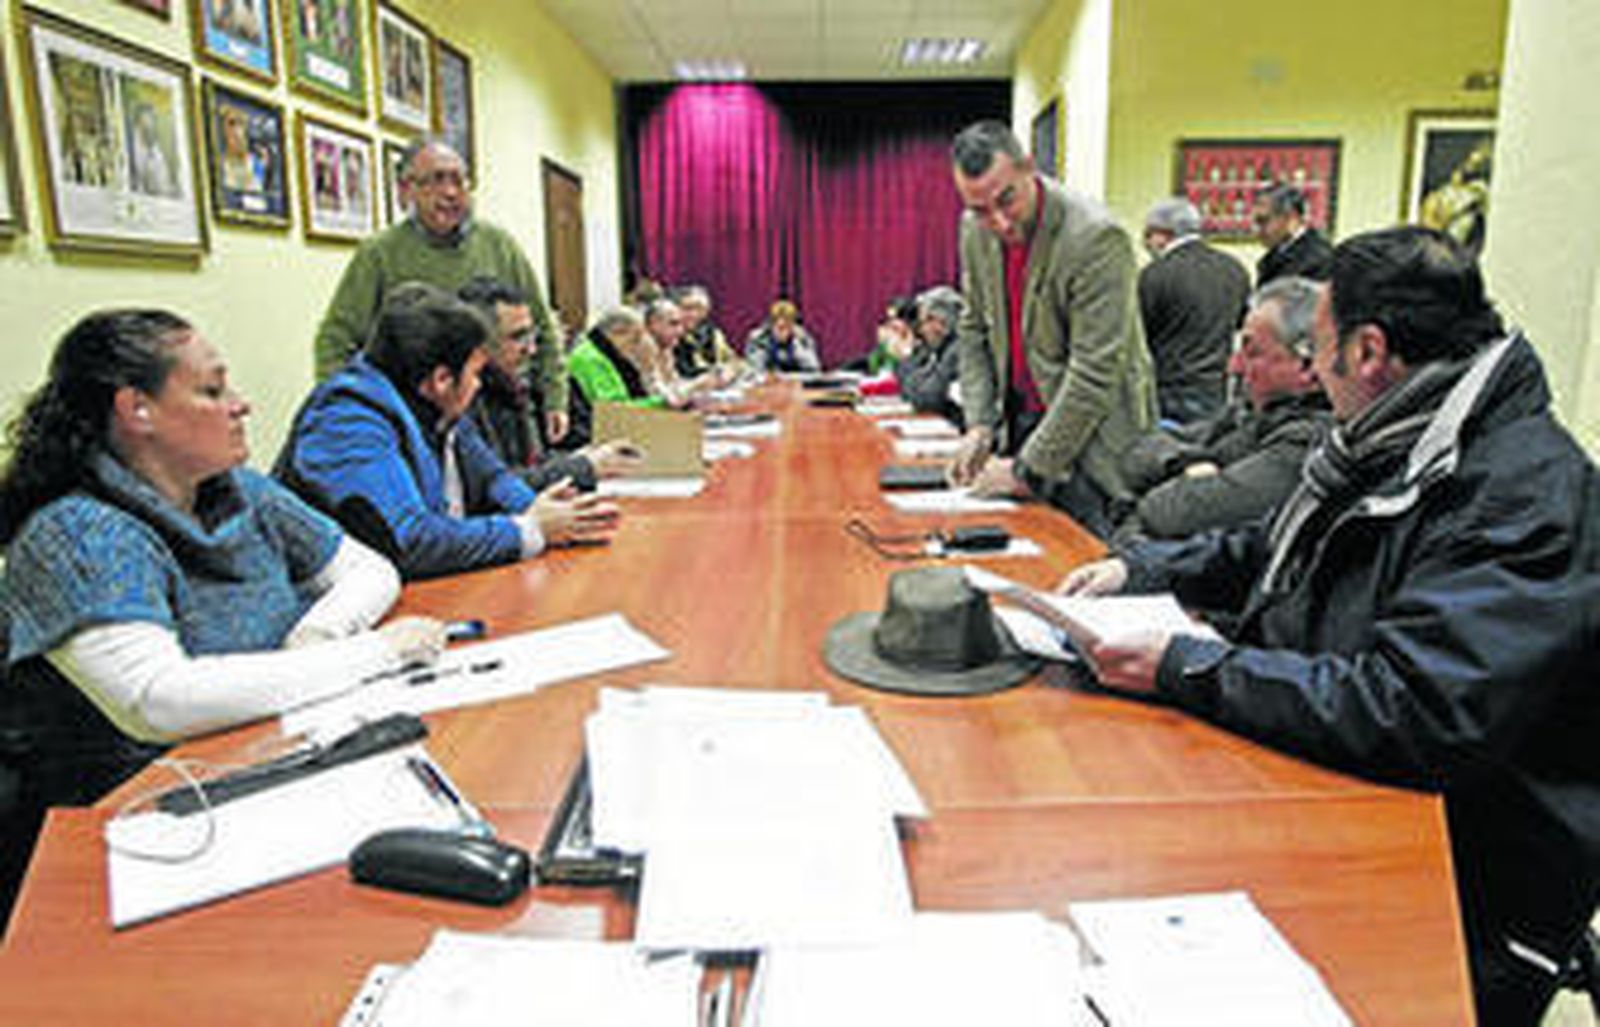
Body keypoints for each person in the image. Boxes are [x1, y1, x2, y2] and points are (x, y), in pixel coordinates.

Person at [1059, 227, 1599, 1027]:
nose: (1310, 370)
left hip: (1463, 879)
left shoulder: (1523, 493)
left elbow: (1415, 709)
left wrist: (1187, 665)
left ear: (1371, 350)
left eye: (1320, 348)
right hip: (1340, 778)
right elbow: (1276, 543)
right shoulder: (1405, 433)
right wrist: (1141, 571)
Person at [0, 310, 445, 921]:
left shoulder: (240, 490)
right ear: (138, 410)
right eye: (213, 390)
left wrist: (314, 636)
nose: (241, 406)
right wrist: (376, 652)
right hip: (138, 840)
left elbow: (369, 571)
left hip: (265, 764)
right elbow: (160, 701)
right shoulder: (76, 533)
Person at [279, 282, 619, 580]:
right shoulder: (345, 421)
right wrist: (529, 530)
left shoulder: (437, 401)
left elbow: (492, 478)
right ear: (442, 379)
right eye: (474, 374)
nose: (477, 386)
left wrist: (541, 510)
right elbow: (409, 541)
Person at [945, 120, 1157, 539]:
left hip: (1094, 439)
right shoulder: (973, 229)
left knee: (1084, 565)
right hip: (1024, 419)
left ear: (1029, 168)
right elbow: (972, 331)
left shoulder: (1095, 239)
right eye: (981, 210)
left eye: (1007, 200)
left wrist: (1027, 469)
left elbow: (1094, 374)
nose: (1000, 223)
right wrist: (979, 424)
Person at [311, 138, 572, 449]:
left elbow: (541, 325)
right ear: (405, 190)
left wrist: (556, 398)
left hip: (498, 416)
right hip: (417, 420)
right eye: (435, 180)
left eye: (458, 180)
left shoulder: (499, 245)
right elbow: (335, 339)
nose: (450, 193)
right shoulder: (379, 254)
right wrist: (348, 411)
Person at [1114, 276, 1329, 542]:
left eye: (1252, 353)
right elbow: (1138, 454)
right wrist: (1184, 465)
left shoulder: (1308, 441)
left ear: (1308, 366)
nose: (1234, 367)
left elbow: (1168, 512)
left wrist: (1154, 491)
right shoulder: (1247, 412)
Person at [456, 277, 642, 492]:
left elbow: (532, 462)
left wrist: (583, 457)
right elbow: (496, 486)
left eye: (532, 335)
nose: (532, 349)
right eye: (518, 337)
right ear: (478, 342)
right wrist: (583, 467)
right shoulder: (465, 398)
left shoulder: (512, 386)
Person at [1138, 197, 1251, 424]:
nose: (1146, 244)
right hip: (1217, 391)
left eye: (1147, 235)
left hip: (1168, 392)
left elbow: (1137, 338)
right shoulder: (1234, 269)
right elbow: (1241, 324)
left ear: (1162, 234)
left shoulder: (1155, 274)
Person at [895, 286, 964, 425]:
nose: (921, 330)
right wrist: (913, 353)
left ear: (940, 323)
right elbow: (909, 390)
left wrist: (907, 356)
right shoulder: (940, 348)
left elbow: (927, 399)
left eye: (924, 322)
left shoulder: (957, 350)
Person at [1252, 182, 1333, 285]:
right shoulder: (1272, 258)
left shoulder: (1318, 259)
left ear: (1292, 218)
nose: (1256, 229)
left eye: (1263, 221)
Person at [671, 285, 740, 378]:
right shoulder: (671, 337)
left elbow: (732, 360)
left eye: (698, 309)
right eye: (687, 308)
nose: (693, 314)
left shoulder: (712, 332)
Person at [744, 300, 822, 373]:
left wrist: (796, 345)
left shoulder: (802, 338)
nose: (783, 332)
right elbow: (755, 370)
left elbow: (814, 369)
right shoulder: (758, 338)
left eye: (788, 327)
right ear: (771, 324)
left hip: (795, 384)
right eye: (780, 327)